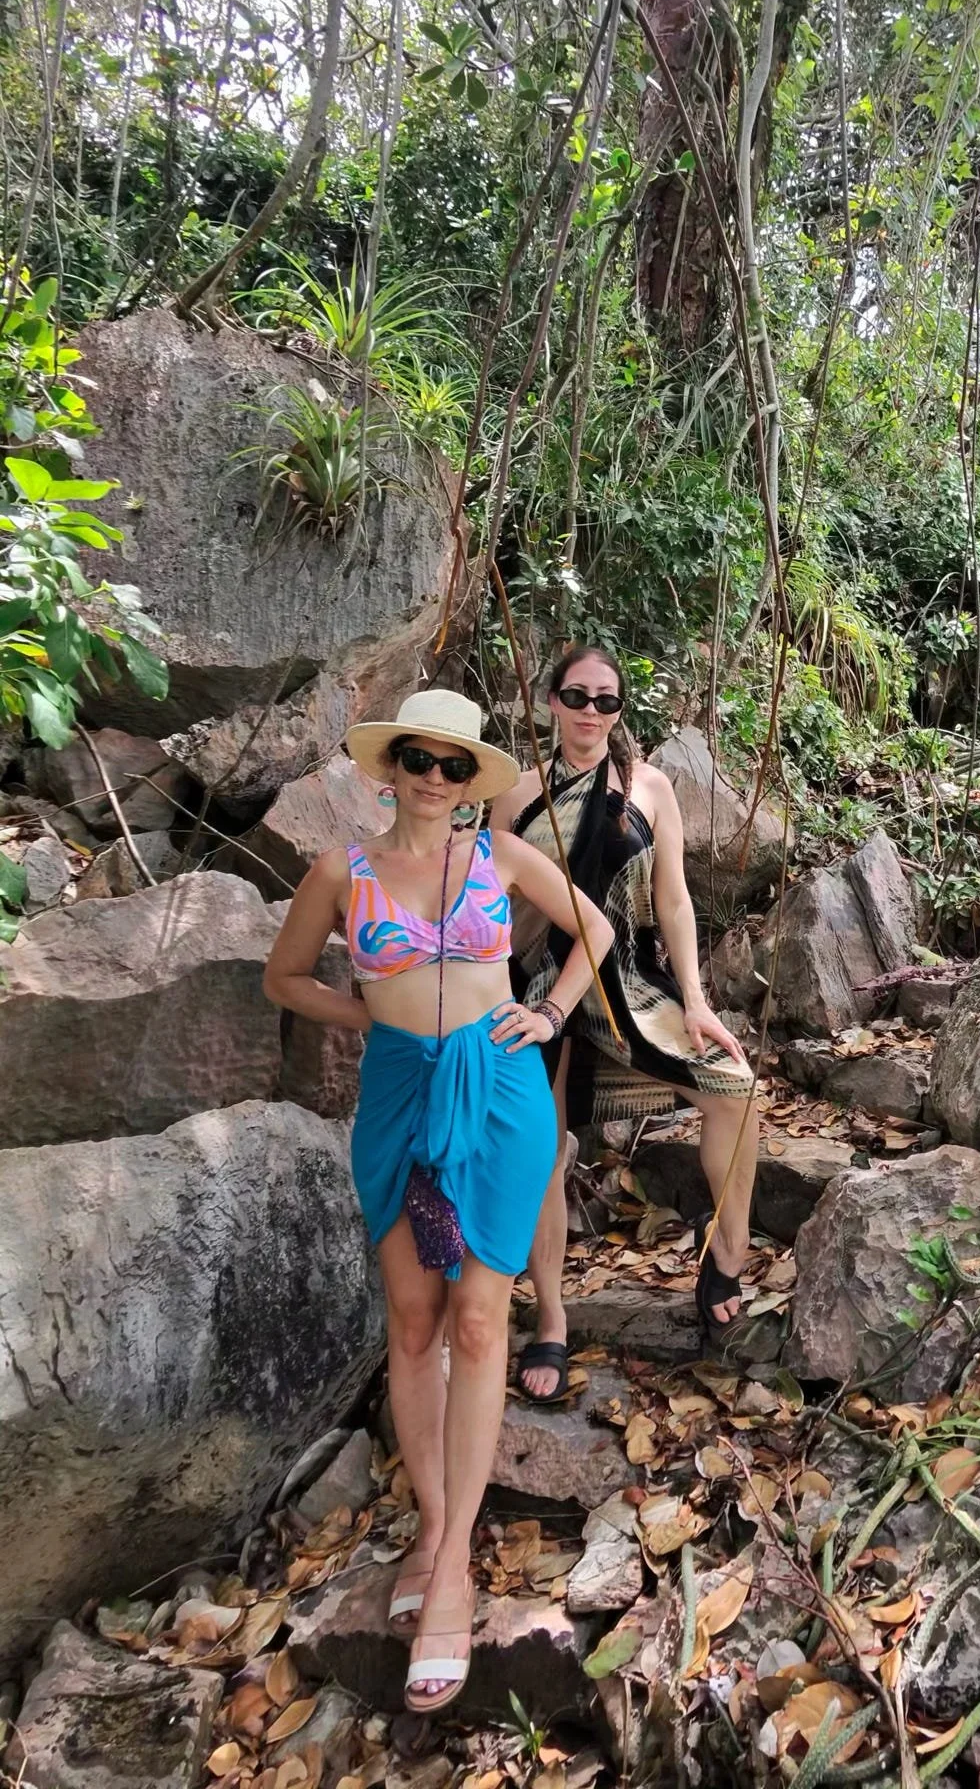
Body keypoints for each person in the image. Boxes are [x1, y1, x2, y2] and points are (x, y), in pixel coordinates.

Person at [263, 688, 613, 1717]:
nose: (434, 777)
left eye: (455, 764)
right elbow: (285, 977)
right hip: (399, 1096)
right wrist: (368, 1012)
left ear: (472, 780)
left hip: (500, 1097)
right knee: (411, 1323)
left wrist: (547, 1014)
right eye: (419, 757)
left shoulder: (500, 859)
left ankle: (453, 1564)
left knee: (476, 1315)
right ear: (391, 765)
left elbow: (593, 930)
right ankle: (428, 1523)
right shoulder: (345, 870)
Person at [495, 644, 760, 1405]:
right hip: (537, 984)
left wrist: (699, 998)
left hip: (630, 980)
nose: (590, 712)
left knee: (734, 1090)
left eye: (606, 701)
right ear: (550, 702)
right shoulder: (515, 795)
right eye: (577, 696)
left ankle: (730, 1254)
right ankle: (551, 1316)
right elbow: (499, 905)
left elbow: (673, 899)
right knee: (545, 1153)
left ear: (620, 713)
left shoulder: (648, 786)